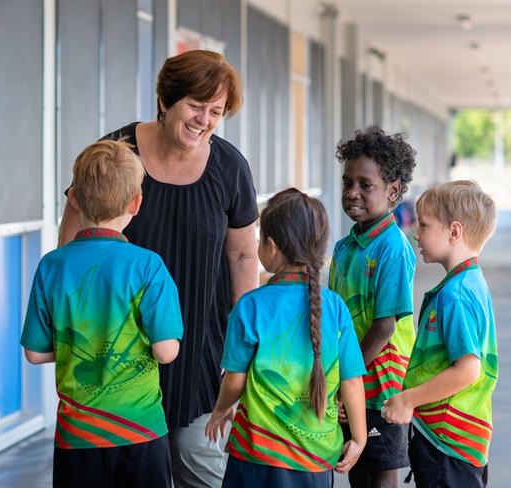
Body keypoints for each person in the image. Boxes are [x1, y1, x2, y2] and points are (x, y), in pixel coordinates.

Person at [59, 49, 259, 487]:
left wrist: (243, 346)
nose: (204, 120)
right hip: (115, 361)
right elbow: (73, 247)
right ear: (165, 99)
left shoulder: (229, 167)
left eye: (216, 111)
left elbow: (243, 257)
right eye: (195, 105)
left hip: (199, 359)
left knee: (202, 474)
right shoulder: (113, 154)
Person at [21, 140, 184, 487]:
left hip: (77, 437)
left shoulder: (52, 266)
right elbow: (166, 351)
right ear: (136, 203)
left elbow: (34, 353)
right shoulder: (148, 266)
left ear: (75, 199)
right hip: (140, 431)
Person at [205, 188, 367, 488]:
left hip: (256, 456)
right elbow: (353, 381)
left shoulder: (250, 306)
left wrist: (222, 408)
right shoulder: (335, 307)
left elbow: (235, 380)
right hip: (315, 460)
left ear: (272, 246)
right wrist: (358, 437)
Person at [382, 181, 497, 488]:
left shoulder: (457, 295)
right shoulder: (468, 284)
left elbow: (468, 369)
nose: (416, 233)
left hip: (447, 443)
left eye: (424, 225)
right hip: (450, 441)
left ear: (454, 232)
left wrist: (407, 400)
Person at [329, 127, 417, 488]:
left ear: (393, 190)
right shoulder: (344, 247)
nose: (352, 193)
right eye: (347, 182)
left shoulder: (391, 247)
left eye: (366, 185)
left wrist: (344, 374)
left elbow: (384, 327)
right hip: (351, 381)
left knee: (381, 473)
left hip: (382, 387)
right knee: (356, 468)